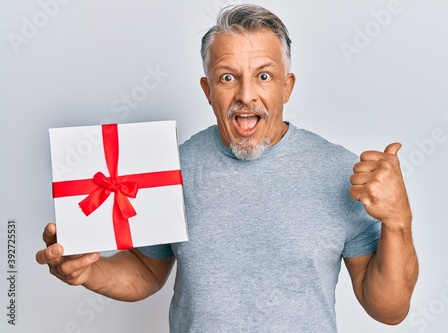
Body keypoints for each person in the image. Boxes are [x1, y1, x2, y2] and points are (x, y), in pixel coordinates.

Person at [36, 4, 418, 332]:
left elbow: (387, 309)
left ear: (287, 86)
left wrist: (399, 221)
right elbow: (145, 271)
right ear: (207, 90)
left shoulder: (340, 172)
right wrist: (88, 272)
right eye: (227, 77)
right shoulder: (174, 168)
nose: (246, 95)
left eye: (264, 76)